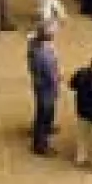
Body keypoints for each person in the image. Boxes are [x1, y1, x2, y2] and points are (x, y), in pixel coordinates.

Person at [27, 25, 60, 156]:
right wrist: (58, 80)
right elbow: (52, 75)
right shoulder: (44, 55)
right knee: (44, 114)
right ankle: (40, 144)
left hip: (40, 84)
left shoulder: (34, 46)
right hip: (47, 88)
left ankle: (46, 128)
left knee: (44, 111)